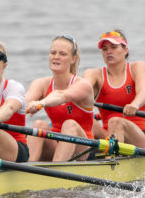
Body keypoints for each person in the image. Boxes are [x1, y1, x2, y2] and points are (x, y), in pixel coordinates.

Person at [23, 34, 96, 162]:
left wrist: (41, 103)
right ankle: (28, 168)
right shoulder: (41, 83)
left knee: (69, 124)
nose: (56, 57)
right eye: (53, 52)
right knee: (39, 124)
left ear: (73, 59)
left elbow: (62, 95)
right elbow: (24, 101)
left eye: (62, 54)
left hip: (83, 148)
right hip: (56, 144)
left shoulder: (83, 85)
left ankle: (56, 169)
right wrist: (25, 106)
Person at [86, 29, 145, 148]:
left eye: (113, 47)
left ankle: (111, 163)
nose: (108, 52)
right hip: (107, 135)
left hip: (139, 135)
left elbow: (144, 91)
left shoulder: (136, 67)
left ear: (125, 50)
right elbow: (82, 89)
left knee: (115, 121)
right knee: (81, 122)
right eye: (105, 49)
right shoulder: (94, 74)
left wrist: (135, 105)